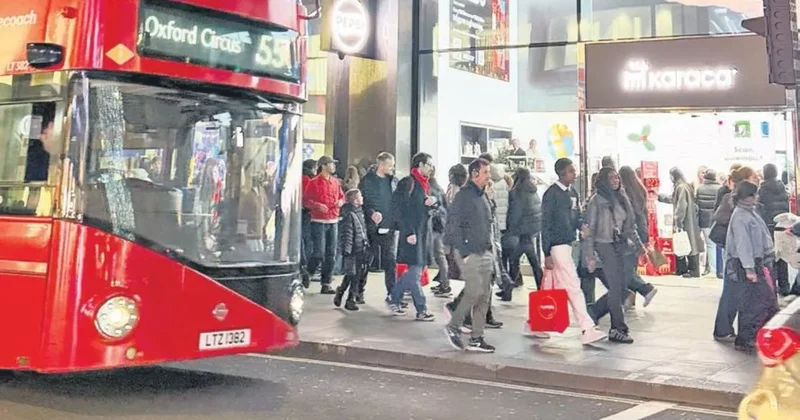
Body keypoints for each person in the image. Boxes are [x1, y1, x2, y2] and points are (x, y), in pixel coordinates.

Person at [541, 158, 606, 345]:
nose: (574, 173)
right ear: (561, 173)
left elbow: (575, 214)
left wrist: (580, 226)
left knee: (552, 287)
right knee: (573, 286)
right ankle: (587, 327)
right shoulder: (551, 194)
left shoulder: (572, 192)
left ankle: (534, 323)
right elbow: (545, 224)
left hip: (568, 243)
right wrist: (546, 252)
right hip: (557, 245)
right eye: (571, 171)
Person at [583, 167, 644, 344]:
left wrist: (641, 248)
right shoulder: (596, 200)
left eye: (616, 177)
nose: (615, 180)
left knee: (621, 287)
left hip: (622, 246)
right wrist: (590, 255)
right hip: (605, 245)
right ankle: (617, 328)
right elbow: (590, 230)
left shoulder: (622, 198)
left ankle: (595, 311)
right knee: (616, 288)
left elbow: (630, 226)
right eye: (610, 178)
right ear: (603, 180)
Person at [443, 158, 497, 352]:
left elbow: (489, 220)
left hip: (484, 250)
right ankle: (453, 326)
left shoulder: (482, 196)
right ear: (474, 174)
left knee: (484, 296)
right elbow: (453, 225)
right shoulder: (464, 196)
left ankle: (477, 337)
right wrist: (463, 252)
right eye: (485, 173)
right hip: (469, 252)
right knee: (474, 291)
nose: (488, 177)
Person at [725, 181, 780, 353]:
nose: (757, 197)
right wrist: (749, 269)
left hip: (760, 262)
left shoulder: (751, 212)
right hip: (749, 265)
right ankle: (746, 338)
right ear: (746, 197)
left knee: (763, 301)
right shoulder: (741, 216)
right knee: (754, 303)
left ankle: (756, 336)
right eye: (754, 195)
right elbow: (743, 245)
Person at [387, 152, 436, 321]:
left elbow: (422, 210)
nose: (430, 168)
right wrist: (408, 231)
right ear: (420, 165)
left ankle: (394, 297)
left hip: (422, 234)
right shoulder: (408, 183)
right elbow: (400, 209)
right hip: (412, 235)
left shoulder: (424, 185)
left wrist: (431, 205)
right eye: (428, 164)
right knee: (415, 271)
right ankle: (421, 309)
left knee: (416, 269)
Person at [359, 152, 399, 300]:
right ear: (381, 165)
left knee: (390, 259)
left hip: (389, 225)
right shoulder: (367, 181)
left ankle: (392, 292)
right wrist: (371, 213)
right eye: (390, 165)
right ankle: (359, 290)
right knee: (367, 259)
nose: (392, 168)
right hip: (371, 226)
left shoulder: (394, 181)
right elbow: (361, 202)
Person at [303, 156, 344, 294]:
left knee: (331, 253)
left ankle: (326, 283)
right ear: (324, 166)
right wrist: (317, 206)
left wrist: (340, 202)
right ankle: (308, 272)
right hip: (318, 221)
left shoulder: (335, 182)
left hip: (333, 220)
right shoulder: (313, 183)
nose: (334, 166)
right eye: (332, 164)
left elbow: (341, 196)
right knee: (319, 252)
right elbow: (306, 201)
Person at [618, 166, 658, 307]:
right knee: (631, 267)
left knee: (625, 269)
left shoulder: (624, 194)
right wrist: (645, 237)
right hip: (640, 232)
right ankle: (631, 300)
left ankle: (644, 290)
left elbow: (627, 218)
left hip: (629, 233)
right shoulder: (640, 191)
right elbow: (644, 216)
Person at [504, 167, 543, 297]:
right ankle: (508, 290)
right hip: (532, 230)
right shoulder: (533, 190)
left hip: (523, 230)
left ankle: (508, 290)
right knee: (529, 260)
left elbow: (515, 213)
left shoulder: (518, 192)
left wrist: (510, 228)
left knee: (519, 259)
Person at [660, 168, 704, 278]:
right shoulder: (684, 186)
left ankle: (692, 270)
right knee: (687, 243)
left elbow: (681, 205)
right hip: (689, 219)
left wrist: (678, 220)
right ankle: (683, 269)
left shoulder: (681, 187)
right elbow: (675, 199)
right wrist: (660, 197)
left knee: (688, 243)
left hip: (686, 221)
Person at [758, 163, 791, 296]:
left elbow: (760, 209)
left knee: (770, 257)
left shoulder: (762, 190)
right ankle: (784, 286)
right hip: (782, 227)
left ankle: (771, 287)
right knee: (782, 256)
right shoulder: (782, 188)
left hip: (769, 227)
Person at [336, 189, 370, 311]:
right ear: (355, 200)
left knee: (352, 275)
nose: (362, 198)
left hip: (361, 249)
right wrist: (347, 249)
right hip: (353, 251)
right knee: (354, 275)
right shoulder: (349, 215)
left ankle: (341, 291)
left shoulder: (359, 212)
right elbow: (348, 233)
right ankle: (350, 300)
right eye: (360, 196)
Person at [428, 166, 451, 297]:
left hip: (433, 226)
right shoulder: (439, 187)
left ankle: (445, 284)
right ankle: (444, 284)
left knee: (437, 256)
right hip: (440, 226)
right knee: (440, 256)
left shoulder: (429, 188)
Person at [697, 169, 722, 277]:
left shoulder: (700, 189)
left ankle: (712, 268)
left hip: (704, 221)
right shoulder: (719, 189)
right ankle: (717, 268)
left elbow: (697, 204)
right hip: (716, 220)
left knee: (709, 245)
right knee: (718, 245)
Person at [300, 159, 317, 288]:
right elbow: (308, 197)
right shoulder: (307, 179)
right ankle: (304, 267)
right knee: (307, 240)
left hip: (304, 212)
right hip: (306, 213)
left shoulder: (302, 177)